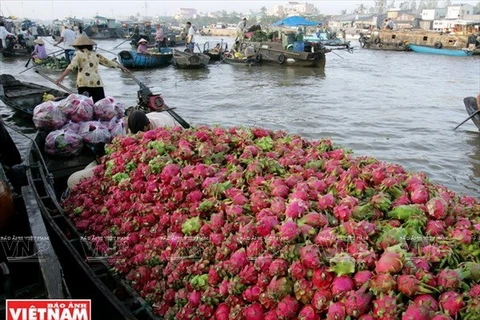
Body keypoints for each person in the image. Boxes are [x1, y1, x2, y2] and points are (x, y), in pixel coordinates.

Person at [55, 35, 130, 103]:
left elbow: (71, 67)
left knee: (84, 106)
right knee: (100, 105)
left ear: (77, 46)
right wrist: (122, 67)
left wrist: (61, 77)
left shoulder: (78, 54)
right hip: (97, 83)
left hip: (84, 83)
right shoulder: (96, 54)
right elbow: (108, 62)